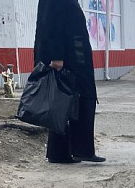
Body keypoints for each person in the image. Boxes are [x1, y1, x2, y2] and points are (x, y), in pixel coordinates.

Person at [34, 0, 105, 163]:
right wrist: (56, 56)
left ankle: (65, 151)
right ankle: (74, 150)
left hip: (71, 56)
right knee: (69, 101)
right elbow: (52, 23)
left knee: (65, 102)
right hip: (68, 58)